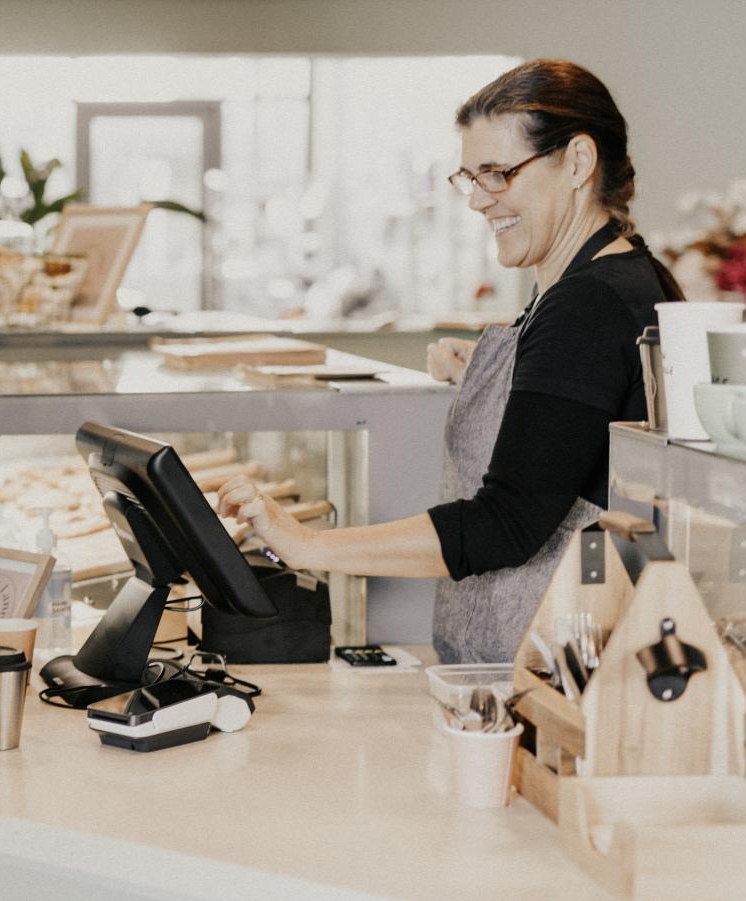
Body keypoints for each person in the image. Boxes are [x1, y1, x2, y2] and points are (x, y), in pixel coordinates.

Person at [220, 60, 682, 664]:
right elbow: (582, 421)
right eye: (471, 177)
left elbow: (506, 525)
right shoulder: (623, 276)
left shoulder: (587, 304)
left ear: (577, 162)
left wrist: (307, 545)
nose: (480, 202)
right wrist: (501, 374)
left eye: (499, 174)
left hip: (542, 672)